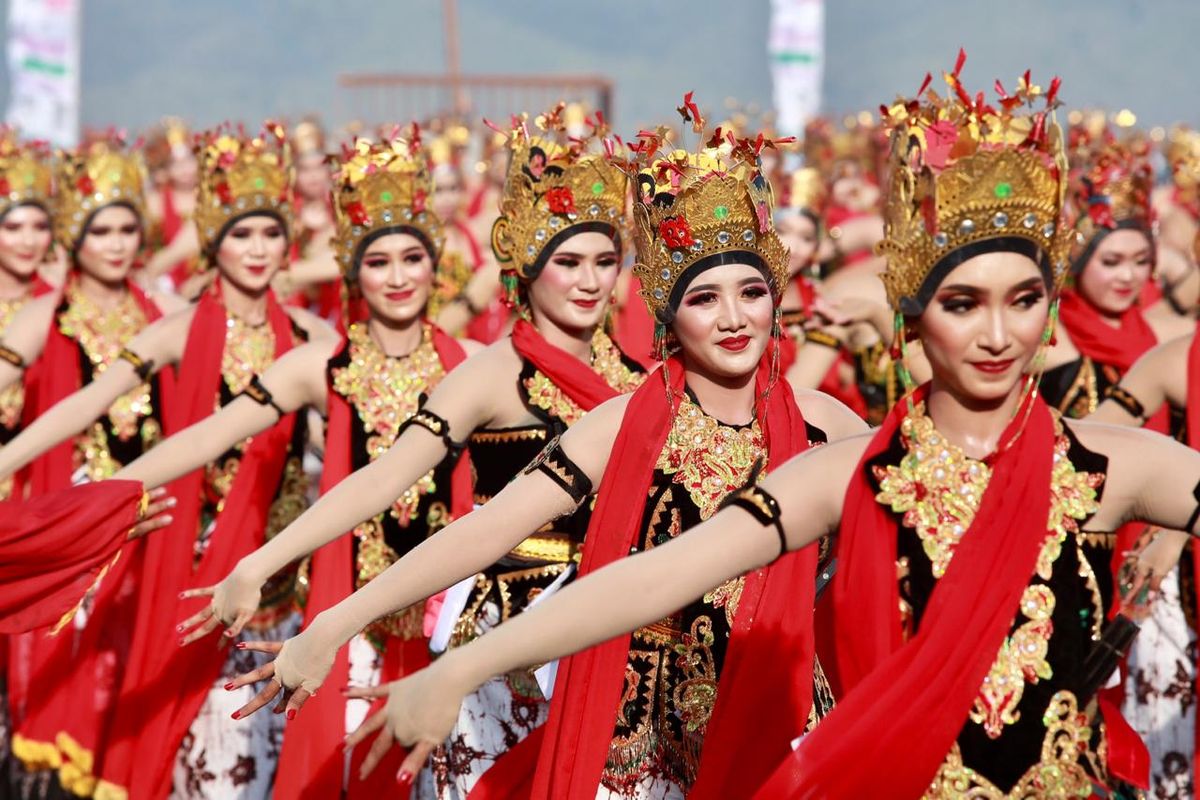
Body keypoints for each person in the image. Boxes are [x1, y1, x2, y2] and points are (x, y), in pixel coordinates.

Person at [324, 61, 1200, 799]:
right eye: (963, 303)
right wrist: (450, 669)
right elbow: (645, 580)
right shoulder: (859, 471)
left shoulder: (1112, 464)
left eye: (1024, 301)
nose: (997, 336)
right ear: (911, 313)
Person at [226, 99, 867, 800]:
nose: (736, 317)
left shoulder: (830, 428)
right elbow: (488, 527)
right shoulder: (624, 422)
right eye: (705, 298)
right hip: (637, 743)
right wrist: (332, 623)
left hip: (779, 721)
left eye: (751, 291)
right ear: (666, 313)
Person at [178, 109, 645, 798]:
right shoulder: (489, 373)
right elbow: (383, 478)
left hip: (608, 633)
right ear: (528, 268)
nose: (589, 281)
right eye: (568, 262)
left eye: (605, 261)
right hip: (499, 641)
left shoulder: (643, 379)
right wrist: (262, 563)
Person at [127, 130, 478, 799]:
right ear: (352, 271)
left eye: (413, 257)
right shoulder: (322, 364)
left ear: (437, 265)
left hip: (447, 629)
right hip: (345, 623)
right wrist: (109, 493)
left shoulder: (471, 363)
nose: (399, 276)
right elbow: (205, 439)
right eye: (379, 261)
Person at [0, 129, 55, 501]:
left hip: (45, 479)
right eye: (14, 227)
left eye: (40, 227)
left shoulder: (64, 306)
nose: (29, 240)